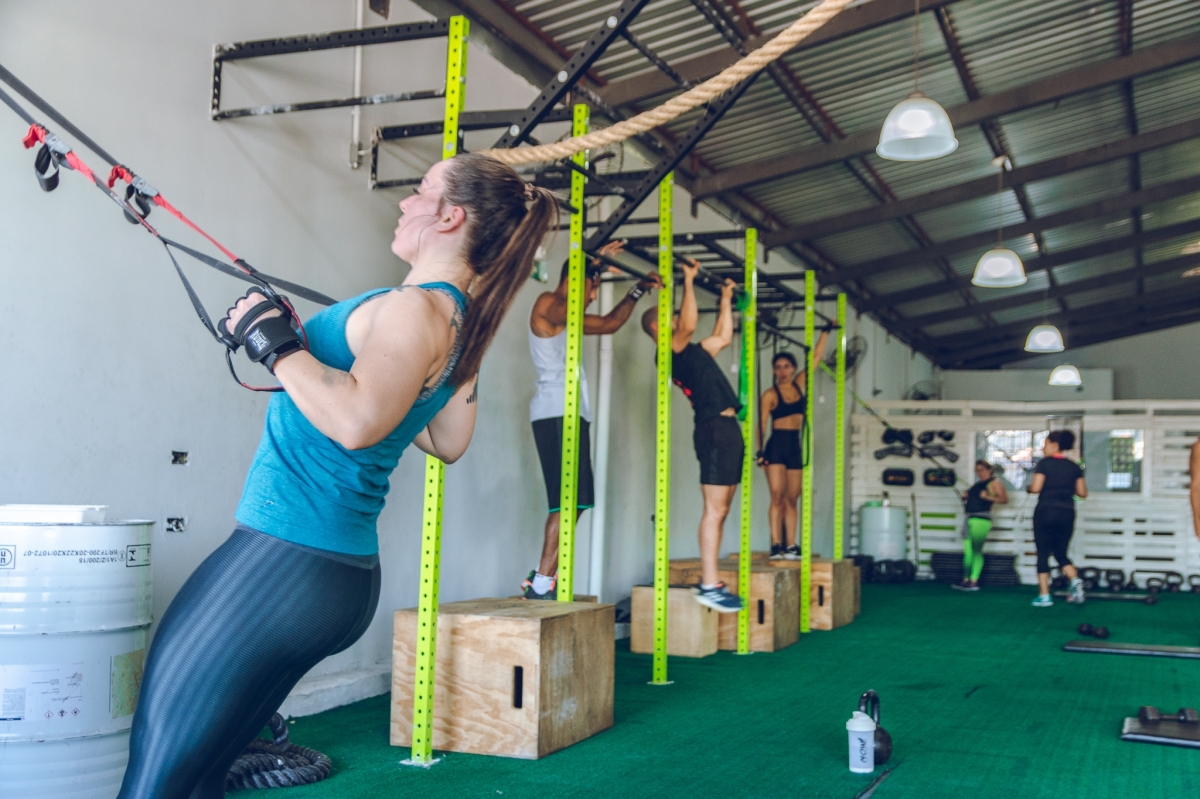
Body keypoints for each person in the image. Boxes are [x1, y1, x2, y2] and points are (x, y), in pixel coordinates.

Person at [116, 153, 557, 799]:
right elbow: (448, 440)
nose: (406, 203)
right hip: (335, 578)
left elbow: (355, 421)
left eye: (420, 192)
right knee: (200, 775)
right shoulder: (460, 325)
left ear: (450, 215)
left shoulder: (415, 310)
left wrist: (276, 343)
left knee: (153, 781)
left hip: (283, 562)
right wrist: (300, 349)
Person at [523, 243, 660, 599]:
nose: (594, 295)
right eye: (592, 286)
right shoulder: (547, 304)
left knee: (578, 502)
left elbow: (612, 323)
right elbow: (574, 303)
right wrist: (592, 265)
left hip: (571, 414)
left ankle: (542, 581)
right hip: (555, 413)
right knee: (564, 502)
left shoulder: (567, 314)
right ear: (575, 280)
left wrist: (637, 289)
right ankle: (541, 582)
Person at [641, 260, 743, 612]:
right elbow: (688, 323)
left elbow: (724, 336)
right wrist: (687, 280)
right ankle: (709, 584)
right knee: (714, 509)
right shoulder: (669, 352)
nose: (677, 323)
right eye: (669, 319)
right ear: (658, 327)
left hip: (728, 428)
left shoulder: (695, 352)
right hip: (713, 429)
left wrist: (726, 298)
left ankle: (711, 581)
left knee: (724, 507)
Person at [756, 337, 828, 561]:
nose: (783, 371)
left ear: (793, 368)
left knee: (792, 498)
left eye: (787, 366)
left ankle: (791, 545)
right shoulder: (769, 394)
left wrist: (825, 332)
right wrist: (760, 452)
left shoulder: (799, 384)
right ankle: (776, 544)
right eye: (778, 367)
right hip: (776, 446)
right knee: (776, 496)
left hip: (794, 446)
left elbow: (815, 358)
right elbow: (761, 423)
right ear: (774, 371)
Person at [1028, 429, 1088, 607]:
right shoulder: (1074, 466)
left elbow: (1036, 487)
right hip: (1067, 512)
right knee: (1061, 553)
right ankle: (1075, 580)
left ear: (1054, 445)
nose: (1043, 448)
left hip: (1046, 511)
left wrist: (1029, 488)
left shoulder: (1044, 464)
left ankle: (1045, 596)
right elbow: (1082, 493)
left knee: (1043, 553)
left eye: (1045, 444)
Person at [953, 460, 1008, 591]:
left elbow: (1004, 499)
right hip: (969, 518)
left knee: (976, 550)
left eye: (982, 470)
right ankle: (966, 579)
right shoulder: (977, 485)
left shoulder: (994, 483)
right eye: (977, 470)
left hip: (981, 519)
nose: (980, 473)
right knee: (968, 551)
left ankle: (974, 581)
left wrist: (988, 497)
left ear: (990, 470)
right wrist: (966, 496)